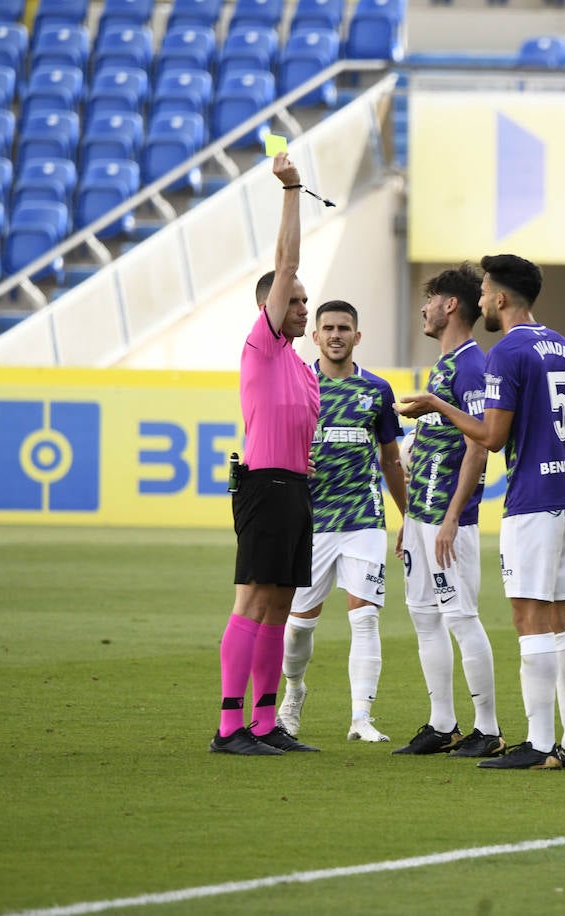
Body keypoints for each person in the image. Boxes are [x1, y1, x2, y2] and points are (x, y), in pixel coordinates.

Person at [398, 253, 565, 771]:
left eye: (485, 291)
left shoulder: (507, 351)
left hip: (533, 501)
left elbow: (491, 436)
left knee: (529, 618)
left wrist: (437, 406)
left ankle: (536, 744)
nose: (481, 299)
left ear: (502, 297)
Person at [210, 152, 321, 756]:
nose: (302, 308)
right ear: (273, 308)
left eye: (303, 301)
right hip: (264, 487)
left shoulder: (302, 370)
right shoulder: (263, 345)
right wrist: (293, 190)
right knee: (254, 600)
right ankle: (228, 728)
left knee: (280, 607)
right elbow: (287, 261)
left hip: (294, 492)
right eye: (296, 302)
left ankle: (262, 723)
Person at [276, 300, 408, 744]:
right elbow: (269, 442)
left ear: (357, 335)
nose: (336, 335)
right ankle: (293, 692)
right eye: (328, 327)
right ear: (315, 336)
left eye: (344, 328)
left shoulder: (376, 390)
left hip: (363, 518)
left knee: (365, 618)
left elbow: (391, 458)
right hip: (311, 521)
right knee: (299, 626)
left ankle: (361, 717)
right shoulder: (297, 384)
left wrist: (407, 515)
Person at [392, 263, 503, 758]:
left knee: (460, 616)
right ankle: (443, 724)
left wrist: (453, 516)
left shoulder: (473, 365)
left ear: (449, 305)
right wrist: (410, 520)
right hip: (422, 517)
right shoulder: (444, 364)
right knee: (423, 616)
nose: (424, 308)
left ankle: (489, 729)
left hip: (448, 521)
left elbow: (480, 444)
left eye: (431, 298)